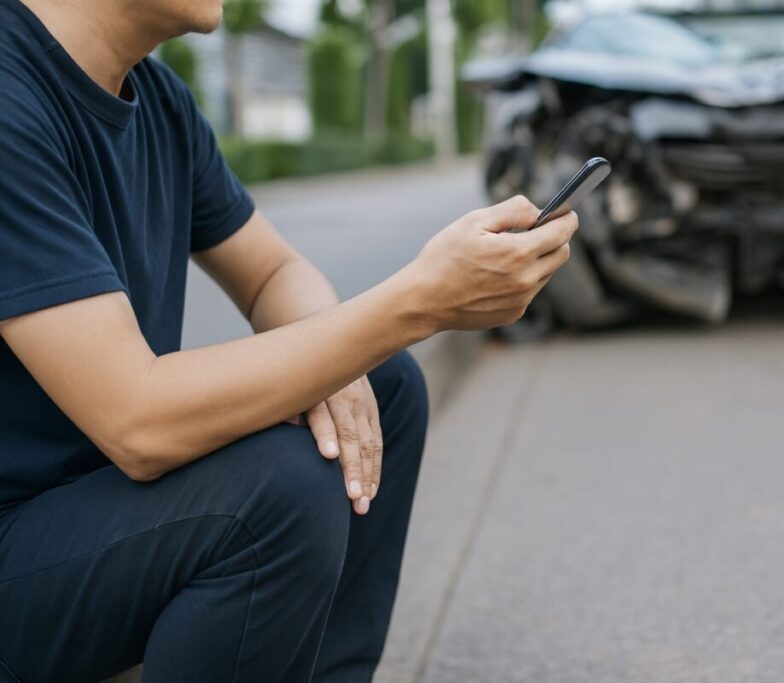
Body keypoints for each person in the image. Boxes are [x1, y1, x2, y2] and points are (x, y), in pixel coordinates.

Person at [0, 0, 577, 679]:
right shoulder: (11, 101)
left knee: (380, 386)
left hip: (86, 507)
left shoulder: (159, 101)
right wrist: (417, 303)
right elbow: (136, 419)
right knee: (278, 494)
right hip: (19, 546)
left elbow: (273, 272)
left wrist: (350, 357)